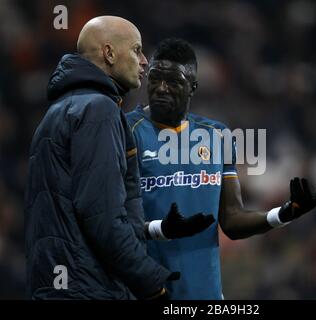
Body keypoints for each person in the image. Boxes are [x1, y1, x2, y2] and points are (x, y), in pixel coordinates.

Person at [24, 17, 213, 300]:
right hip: (88, 289)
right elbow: (103, 219)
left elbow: (81, 212)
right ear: (109, 53)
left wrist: (157, 229)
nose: (145, 61)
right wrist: (153, 284)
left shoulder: (60, 112)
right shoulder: (99, 110)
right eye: (137, 50)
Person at [126, 38, 316, 299]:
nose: (161, 89)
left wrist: (283, 214)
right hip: (146, 293)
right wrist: (160, 229)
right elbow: (113, 222)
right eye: (154, 79)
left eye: (173, 81)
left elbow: (232, 220)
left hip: (207, 295)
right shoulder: (125, 131)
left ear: (192, 87)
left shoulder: (217, 135)